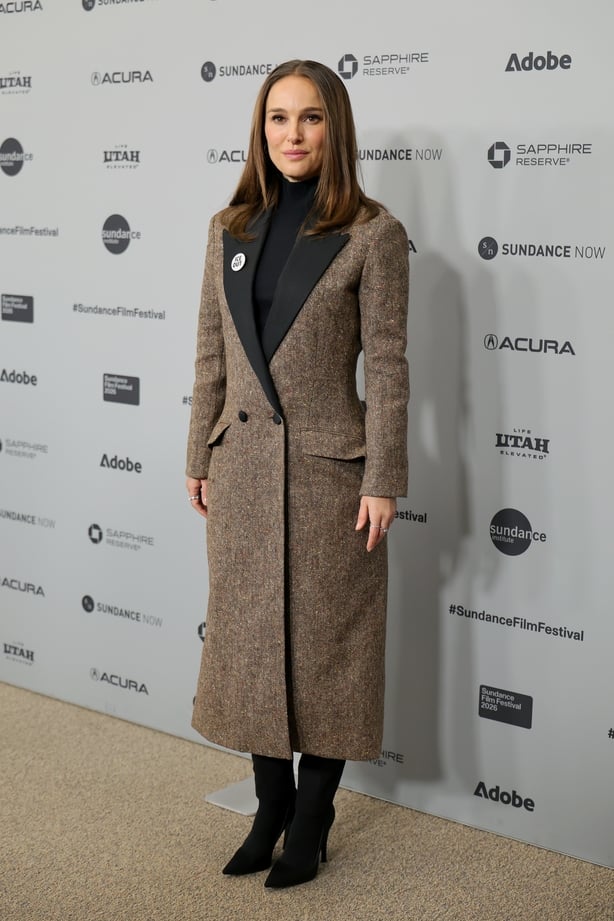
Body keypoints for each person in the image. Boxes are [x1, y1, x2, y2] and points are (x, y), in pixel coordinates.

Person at [185, 59, 409, 889]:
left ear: (335, 127)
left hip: (331, 478)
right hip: (239, 467)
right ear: (261, 127)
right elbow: (211, 351)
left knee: (327, 655)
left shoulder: (374, 234)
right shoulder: (227, 226)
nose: (292, 135)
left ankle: (312, 820)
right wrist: (196, 454)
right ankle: (268, 806)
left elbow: (386, 367)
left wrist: (384, 475)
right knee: (249, 643)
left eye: (310, 118)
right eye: (278, 118)